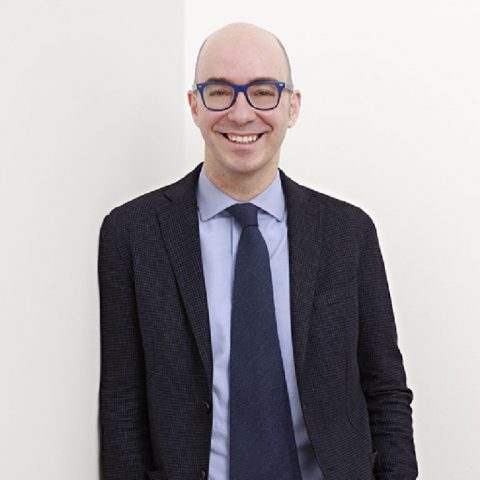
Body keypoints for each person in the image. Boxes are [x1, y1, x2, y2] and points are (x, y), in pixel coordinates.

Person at [98, 22, 418, 480]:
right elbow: (122, 407)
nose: (241, 113)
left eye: (263, 92)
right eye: (220, 92)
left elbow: (385, 388)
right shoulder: (133, 234)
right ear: (194, 105)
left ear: (292, 106)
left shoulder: (349, 233)